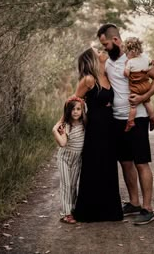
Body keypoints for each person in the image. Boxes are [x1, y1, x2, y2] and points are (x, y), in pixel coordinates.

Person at [97, 23, 154, 225]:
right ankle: (134, 203)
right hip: (117, 120)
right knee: (125, 162)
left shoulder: (136, 58)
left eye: (106, 44)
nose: (104, 48)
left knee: (141, 162)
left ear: (116, 40)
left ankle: (148, 208)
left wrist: (143, 96)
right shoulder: (107, 62)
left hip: (138, 118)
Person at [73, 47, 123, 222]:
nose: (102, 51)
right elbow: (74, 102)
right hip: (95, 127)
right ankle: (89, 212)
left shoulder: (107, 75)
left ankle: (110, 211)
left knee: (108, 165)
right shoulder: (89, 80)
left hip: (110, 125)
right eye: (98, 50)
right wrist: (65, 123)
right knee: (94, 164)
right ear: (93, 58)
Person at [52, 96, 86, 224]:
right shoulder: (66, 126)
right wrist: (55, 130)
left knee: (72, 185)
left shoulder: (84, 125)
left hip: (77, 159)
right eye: (72, 109)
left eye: (78, 109)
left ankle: (72, 209)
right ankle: (66, 213)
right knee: (66, 185)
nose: (76, 112)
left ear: (82, 110)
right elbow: (62, 143)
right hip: (65, 158)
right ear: (68, 111)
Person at [123, 36, 154, 132]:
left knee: (133, 105)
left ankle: (130, 121)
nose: (126, 55)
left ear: (133, 51)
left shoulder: (130, 62)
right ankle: (152, 118)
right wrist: (152, 65)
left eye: (127, 53)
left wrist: (125, 67)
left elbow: (126, 74)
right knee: (147, 102)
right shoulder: (145, 57)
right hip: (146, 86)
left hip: (136, 87)